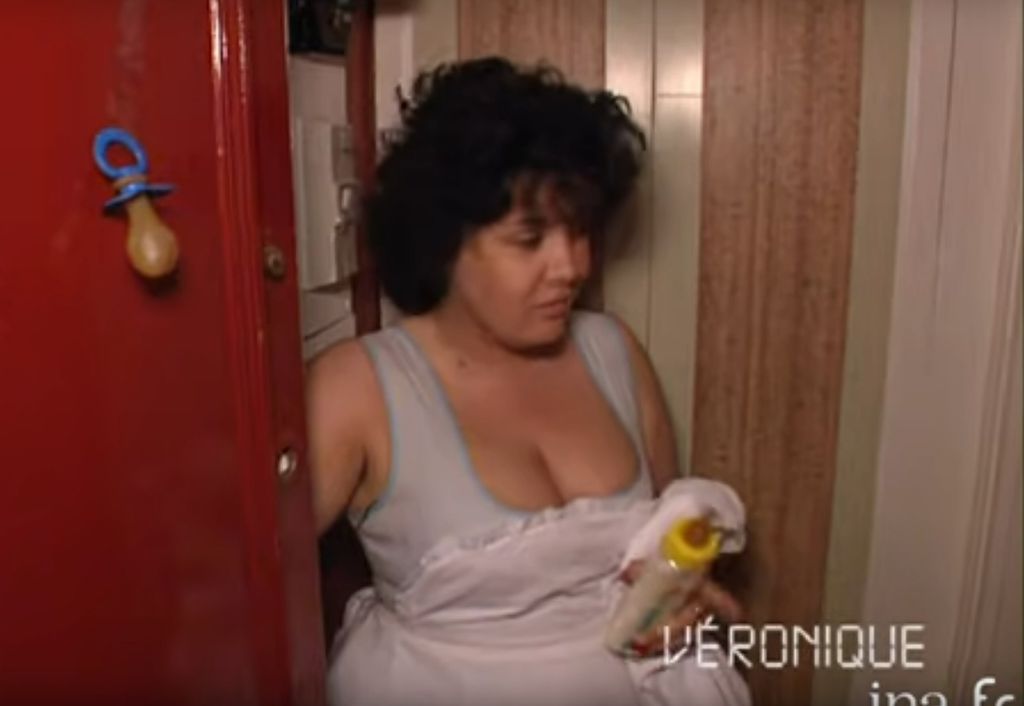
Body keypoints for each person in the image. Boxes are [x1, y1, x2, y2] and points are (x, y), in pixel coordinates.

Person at [307, 57, 750, 706]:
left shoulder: (614, 350)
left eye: (580, 229)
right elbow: (238, 589)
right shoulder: (357, 387)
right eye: (530, 237)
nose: (573, 265)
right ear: (444, 241)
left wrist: (681, 593)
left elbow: (660, 549)